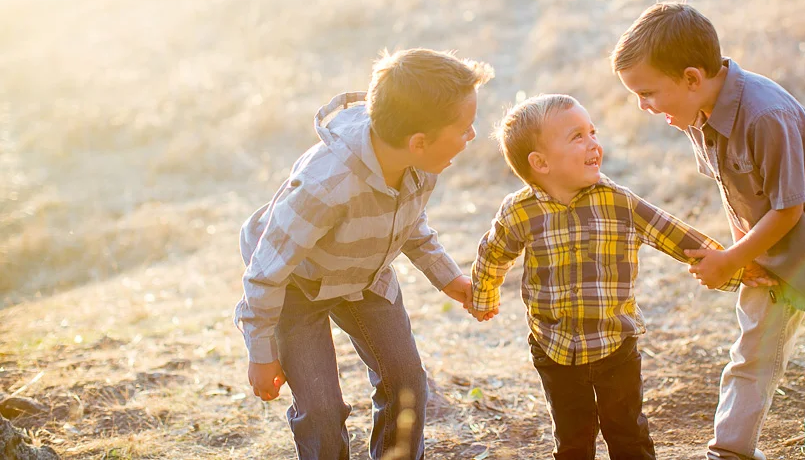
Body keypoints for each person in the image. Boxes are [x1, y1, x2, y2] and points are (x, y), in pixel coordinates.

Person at [613, 2, 805, 460]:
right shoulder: (696, 113)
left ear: (692, 78)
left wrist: (731, 259)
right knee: (752, 355)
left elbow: (789, 209)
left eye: (647, 93)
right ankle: (730, 451)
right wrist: (748, 255)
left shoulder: (764, 115)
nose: (643, 106)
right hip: (767, 255)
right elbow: (740, 193)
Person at [469, 93, 773, 460]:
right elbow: (493, 253)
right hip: (554, 347)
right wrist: (484, 296)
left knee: (627, 431)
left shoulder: (617, 202)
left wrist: (734, 264)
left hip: (615, 344)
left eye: (592, 131)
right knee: (572, 437)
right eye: (576, 136)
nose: (593, 143)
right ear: (541, 163)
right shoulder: (519, 211)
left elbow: (674, 234)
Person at [234, 48, 493, 460]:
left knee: (406, 381)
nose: (472, 136)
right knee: (321, 409)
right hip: (296, 284)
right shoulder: (326, 185)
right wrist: (261, 353)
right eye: (464, 128)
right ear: (419, 141)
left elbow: (412, 226)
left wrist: (450, 279)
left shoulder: (422, 165)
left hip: (365, 274)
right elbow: (265, 272)